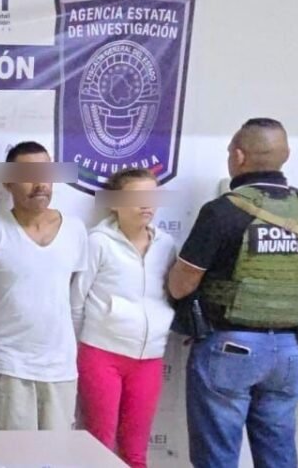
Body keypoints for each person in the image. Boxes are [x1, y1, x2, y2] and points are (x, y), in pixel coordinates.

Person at [166, 118, 298, 468]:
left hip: (231, 347)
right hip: (291, 349)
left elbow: (181, 285)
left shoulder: (223, 211)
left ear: (239, 156)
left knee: (218, 455)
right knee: (278, 452)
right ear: (286, 155)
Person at [0, 141, 87, 431]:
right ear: (8, 182)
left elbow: (75, 300)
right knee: (7, 454)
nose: (40, 184)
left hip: (60, 369)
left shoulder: (75, 230)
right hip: (7, 366)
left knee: (57, 453)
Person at [76, 167, 177, 468]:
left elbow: (171, 294)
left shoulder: (166, 245)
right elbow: (76, 301)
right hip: (101, 354)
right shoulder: (98, 242)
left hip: (149, 358)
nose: (146, 204)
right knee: (99, 443)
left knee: (135, 451)